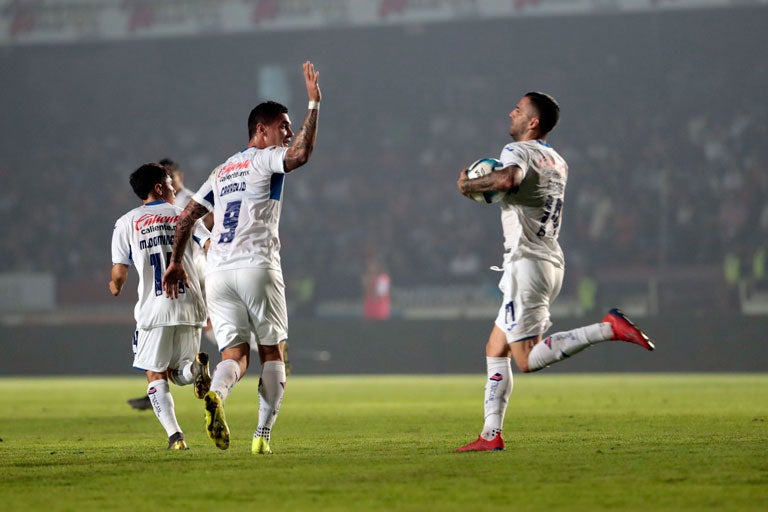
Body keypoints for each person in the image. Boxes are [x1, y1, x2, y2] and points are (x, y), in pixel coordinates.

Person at [454, 92, 655, 452]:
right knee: (495, 346)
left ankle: (607, 328)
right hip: (548, 260)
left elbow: (507, 181)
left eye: (518, 110)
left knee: (526, 359)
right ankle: (490, 435)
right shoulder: (558, 160)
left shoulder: (516, 151)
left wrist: (468, 185)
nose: (510, 112)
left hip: (527, 265)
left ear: (533, 122)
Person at [162, 61, 321, 454]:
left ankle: (217, 395)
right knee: (273, 351)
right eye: (283, 125)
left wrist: (176, 262)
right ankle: (262, 437)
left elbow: (186, 217)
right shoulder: (264, 157)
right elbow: (300, 155)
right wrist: (314, 105)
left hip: (218, 273)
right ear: (261, 131)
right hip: (257, 266)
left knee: (233, 354)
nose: (288, 132)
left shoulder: (222, 169)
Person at [110, 163, 213, 450]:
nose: (174, 188)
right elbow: (210, 246)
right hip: (192, 307)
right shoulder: (186, 215)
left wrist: (115, 286)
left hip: (154, 311)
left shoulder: (126, 222)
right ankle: (197, 371)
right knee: (180, 373)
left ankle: (175, 436)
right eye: (170, 183)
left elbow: (119, 273)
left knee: (156, 374)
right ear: (158, 187)